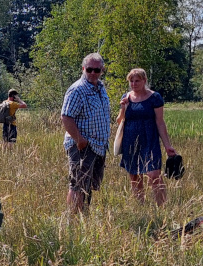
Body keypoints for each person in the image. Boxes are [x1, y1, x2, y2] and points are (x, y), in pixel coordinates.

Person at [115, 68, 176, 205]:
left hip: (150, 140)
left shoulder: (155, 98)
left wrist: (167, 146)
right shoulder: (126, 97)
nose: (134, 84)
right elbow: (119, 121)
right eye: (131, 81)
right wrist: (124, 108)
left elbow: (160, 122)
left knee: (154, 175)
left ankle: (162, 208)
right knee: (135, 176)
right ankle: (140, 207)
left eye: (137, 81)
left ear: (144, 81)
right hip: (130, 141)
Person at [61, 53, 111, 214]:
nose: (93, 73)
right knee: (78, 183)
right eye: (89, 69)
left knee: (88, 185)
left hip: (98, 146)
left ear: (102, 70)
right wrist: (79, 140)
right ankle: (74, 220)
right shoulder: (77, 89)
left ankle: (84, 216)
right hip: (83, 145)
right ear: (83, 69)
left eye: (97, 70)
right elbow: (66, 116)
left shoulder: (100, 88)